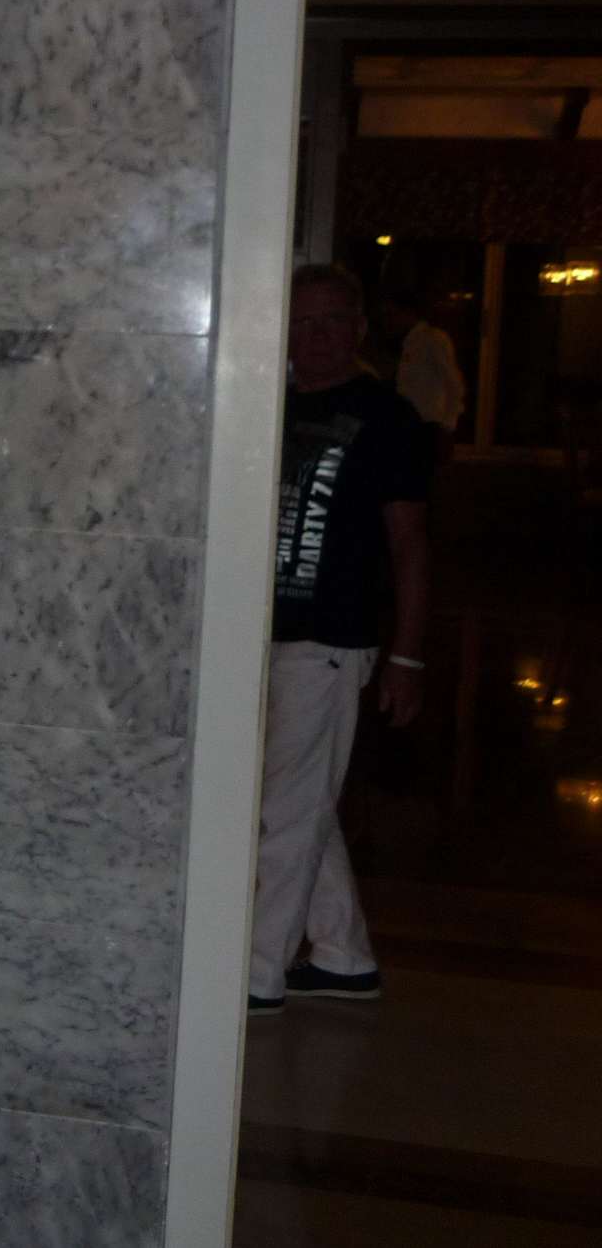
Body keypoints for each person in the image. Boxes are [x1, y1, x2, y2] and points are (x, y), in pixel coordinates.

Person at [251, 263, 432, 1015]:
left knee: (283, 810)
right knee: (302, 802)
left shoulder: (387, 417)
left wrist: (407, 655)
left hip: (330, 640)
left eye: (330, 320)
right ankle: (342, 956)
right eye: (301, 320)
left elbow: (411, 543)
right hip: (260, 636)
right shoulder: (271, 403)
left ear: (357, 328)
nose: (315, 335)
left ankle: (255, 975)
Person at [383, 287, 464, 465]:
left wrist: (447, 426)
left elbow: (453, 384)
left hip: (430, 426)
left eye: (393, 314)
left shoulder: (432, 339)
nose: (389, 321)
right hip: (410, 425)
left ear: (408, 313)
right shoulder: (408, 343)